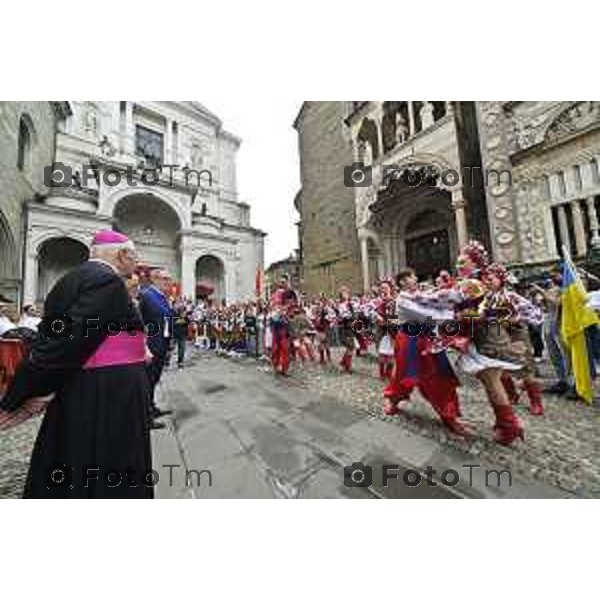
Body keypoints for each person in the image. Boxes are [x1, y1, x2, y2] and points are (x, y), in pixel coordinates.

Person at [0, 230, 153, 498]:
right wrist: (24, 395)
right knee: (105, 464)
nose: (136, 265)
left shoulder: (68, 279)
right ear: (122, 254)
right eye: (134, 257)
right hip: (107, 392)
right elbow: (66, 343)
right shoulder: (107, 281)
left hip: (88, 383)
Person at [138, 268, 175, 429]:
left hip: (162, 343)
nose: (169, 282)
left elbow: (167, 319)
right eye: (165, 279)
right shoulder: (146, 296)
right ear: (155, 279)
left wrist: (170, 340)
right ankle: (145, 416)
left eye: (169, 279)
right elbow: (139, 321)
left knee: (154, 379)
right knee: (147, 380)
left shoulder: (162, 297)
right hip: (151, 345)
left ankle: (151, 408)